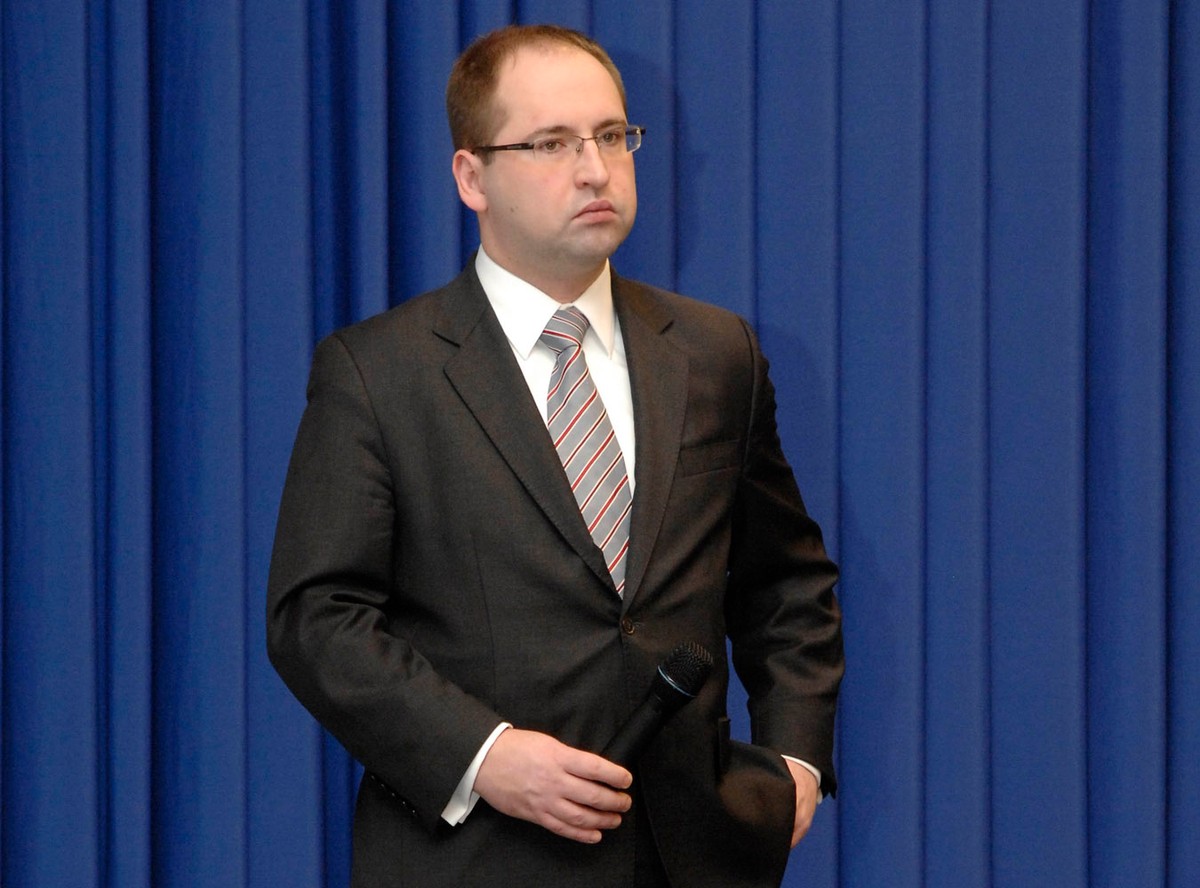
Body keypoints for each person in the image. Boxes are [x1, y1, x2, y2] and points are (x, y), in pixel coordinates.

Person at [267, 23, 843, 888]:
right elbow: (317, 618)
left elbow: (786, 584)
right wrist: (485, 754)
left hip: (693, 858)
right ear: (472, 177)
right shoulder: (378, 372)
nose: (595, 169)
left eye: (612, 136)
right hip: (477, 858)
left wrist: (796, 763)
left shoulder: (716, 353)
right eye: (551, 143)